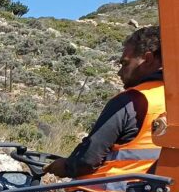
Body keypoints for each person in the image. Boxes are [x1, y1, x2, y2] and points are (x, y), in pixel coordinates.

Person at [45, 26, 164, 180]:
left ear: (147, 60)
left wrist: (64, 166)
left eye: (125, 64)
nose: (120, 72)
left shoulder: (130, 101)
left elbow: (86, 161)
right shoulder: (169, 100)